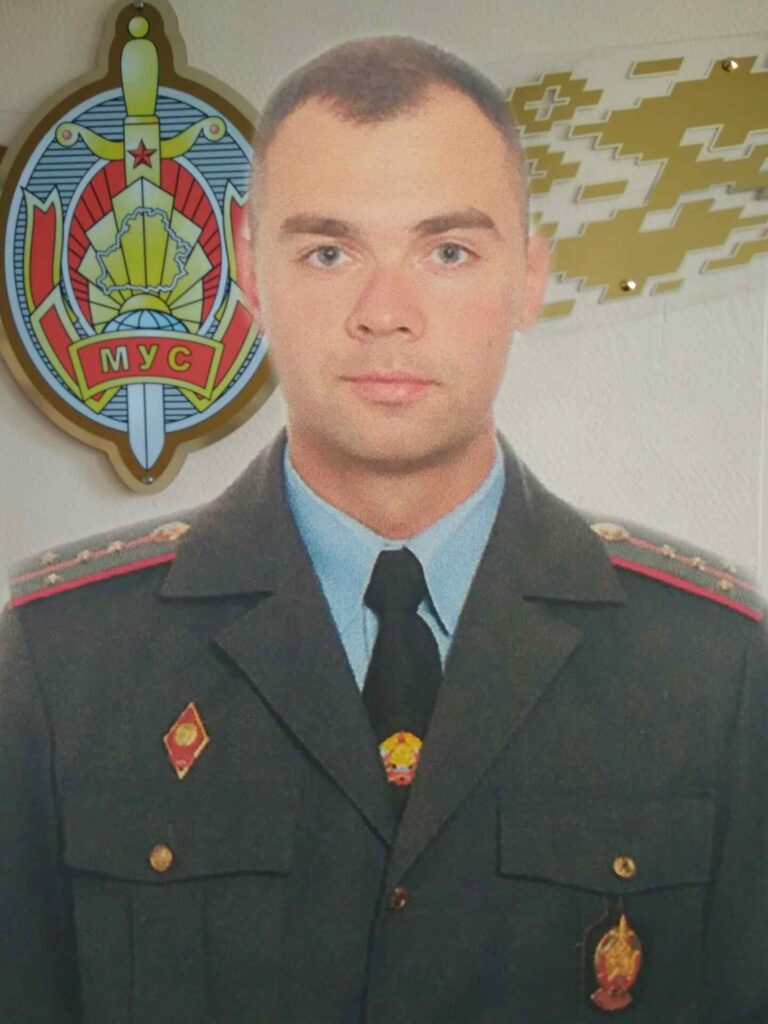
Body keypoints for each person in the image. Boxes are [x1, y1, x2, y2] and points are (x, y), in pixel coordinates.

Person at [1, 35, 767, 1024]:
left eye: (447, 251)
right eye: (330, 251)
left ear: (529, 278)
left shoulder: (714, 667)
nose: (386, 313)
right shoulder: (60, 662)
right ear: (250, 272)